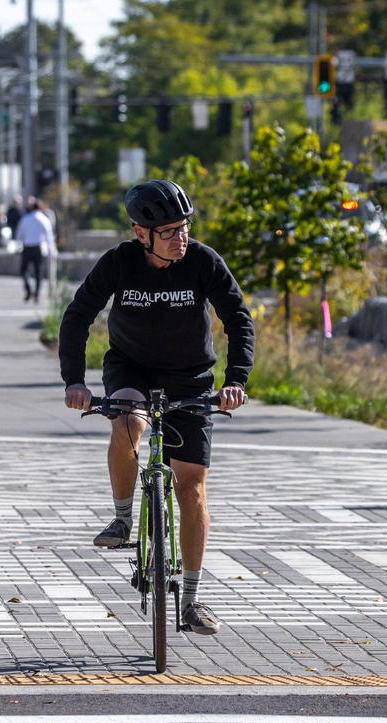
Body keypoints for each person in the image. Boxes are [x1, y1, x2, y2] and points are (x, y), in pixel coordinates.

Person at [59, 179, 255, 636]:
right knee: (128, 420)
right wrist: (75, 381)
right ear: (140, 233)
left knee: (191, 489)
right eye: (168, 231)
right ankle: (124, 517)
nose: (180, 238)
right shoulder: (119, 263)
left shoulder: (204, 262)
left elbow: (238, 318)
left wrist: (236, 381)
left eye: (184, 228)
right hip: (132, 370)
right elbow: (78, 315)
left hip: (191, 377)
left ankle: (191, 599)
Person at [14, 199, 57, 302]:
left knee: (24, 270)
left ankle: (28, 289)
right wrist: (51, 248)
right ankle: (37, 293)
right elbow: (49, 236)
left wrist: (19, 243)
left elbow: (19, 235)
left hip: (27, 247)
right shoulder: (44, 219)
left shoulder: (25, 219)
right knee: (38, 272)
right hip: (39, 248)